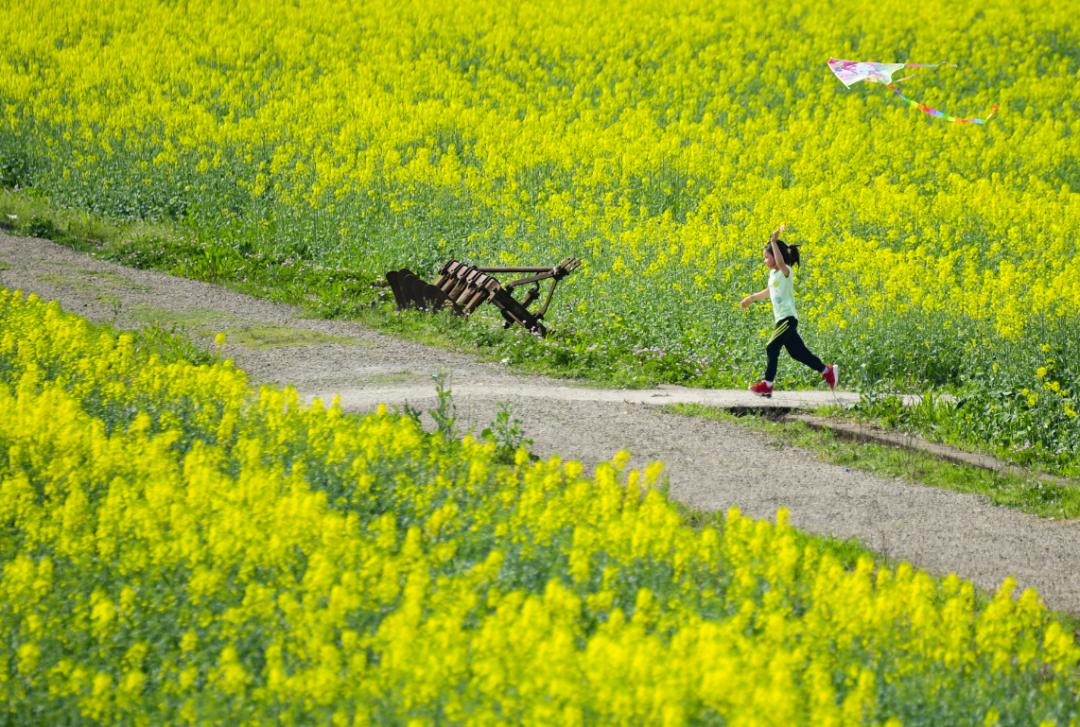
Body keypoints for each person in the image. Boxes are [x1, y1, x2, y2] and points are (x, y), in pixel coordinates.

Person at [739, 224, 837, 398]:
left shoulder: (786, 271)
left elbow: (781, 263)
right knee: (798, 353)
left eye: (766, 258)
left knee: (771, 347)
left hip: (788, 319)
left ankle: (767, 385)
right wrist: (750, 299)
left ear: (776, 257)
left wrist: (773, 241)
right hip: (781, 320)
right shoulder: (774, 276)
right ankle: (826, 370)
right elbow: (769, 292)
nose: (765, 261)